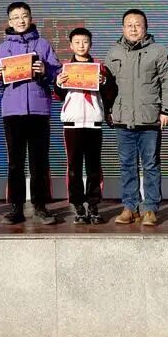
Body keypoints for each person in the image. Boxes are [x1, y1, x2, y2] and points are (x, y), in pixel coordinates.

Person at [0, 2, 62, 225]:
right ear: (9, 21)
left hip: (39, 110)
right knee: (15, 163)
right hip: (12, 111)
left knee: (39, 162)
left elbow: (58, 74)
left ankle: (40, 206)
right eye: (16, 17)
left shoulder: (43, 44)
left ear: (31, 18)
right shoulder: (4, 47)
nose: (21, 20)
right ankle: (16, 208)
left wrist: (46, 70)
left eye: (24, 16)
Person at [105, 9, 168, 227]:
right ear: (123, 28)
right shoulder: (114, 52)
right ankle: (130, 207)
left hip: (150, 120)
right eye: (129, 25)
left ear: (145, 27)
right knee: (126, 165)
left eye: (138, 24)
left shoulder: (159, 51)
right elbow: (107, 86)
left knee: (151, 165)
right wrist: (107, 110)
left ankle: (150, 209)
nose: (134, 28)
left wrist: (167, 110)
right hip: (122, 120)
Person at [54, 27, 116, 225]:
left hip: (94, 123)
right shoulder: (64, 69)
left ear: (91, 44)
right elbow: (58, 95)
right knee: (73, 168)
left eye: (85, 42)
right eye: (77, 42)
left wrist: (104, 82)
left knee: (94, 167)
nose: (81, 45)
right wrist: (58, 83)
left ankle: (94, 205)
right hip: (72, 124)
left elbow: (110, 93)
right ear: (71, 45)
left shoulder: (100, 68)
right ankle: (78, 205)